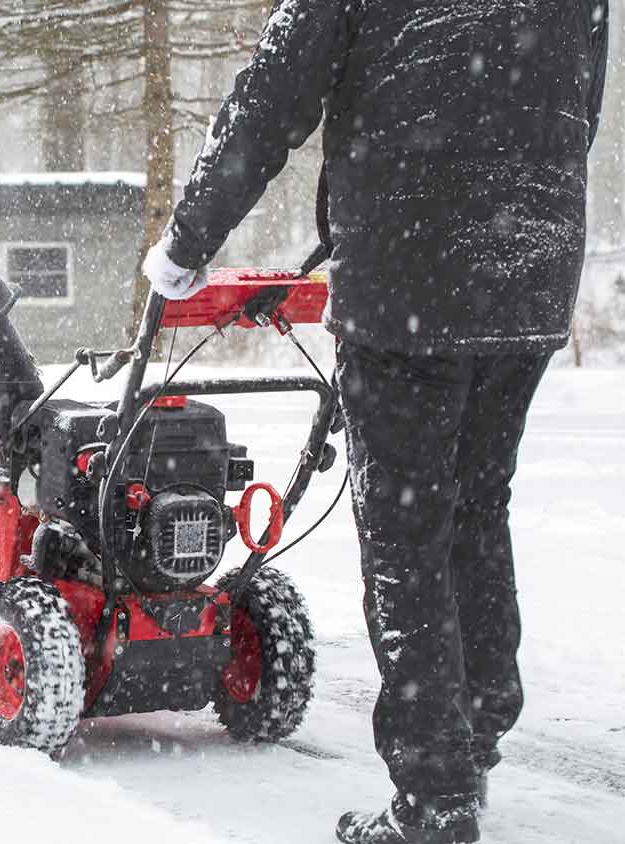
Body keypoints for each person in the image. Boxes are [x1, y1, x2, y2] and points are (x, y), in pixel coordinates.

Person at [141, 3, 610, 843]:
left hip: (411, 275)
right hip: (534, 265)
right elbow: (583, 98)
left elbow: (270, 100)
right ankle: (476, 719)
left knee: (407, 528)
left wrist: (186, 243)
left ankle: (436, 794)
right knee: (474, 500)